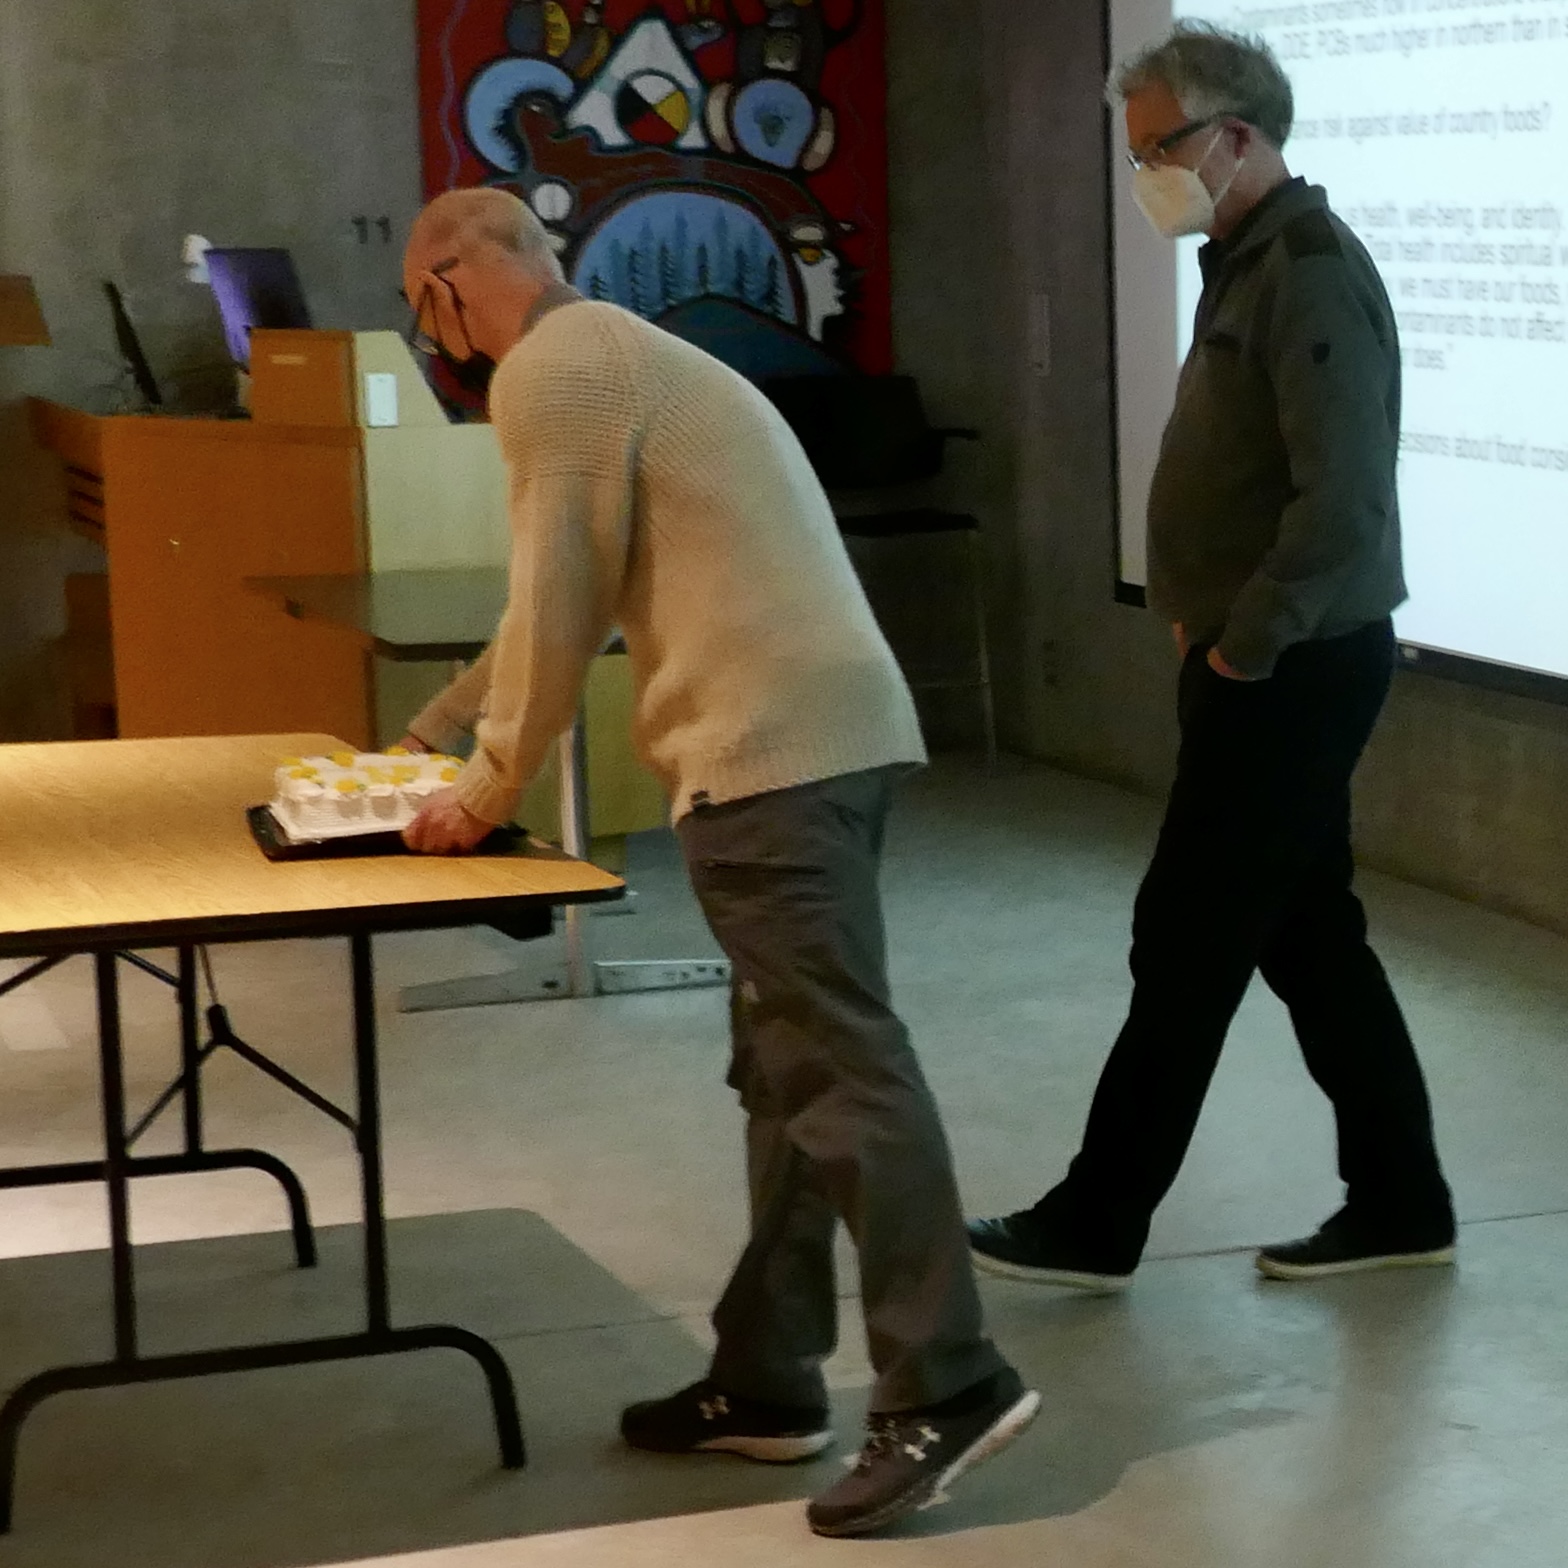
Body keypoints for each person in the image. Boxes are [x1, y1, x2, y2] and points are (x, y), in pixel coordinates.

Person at [395, 188, 1038, 1538]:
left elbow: (562, 586)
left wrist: (486, 789)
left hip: (770, 756)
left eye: (419, 305)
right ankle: (768, 1382)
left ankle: (951, 1379)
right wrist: (443, 729)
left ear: (450, 282)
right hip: (821, 738)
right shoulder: (612, 352)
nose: (429, 334)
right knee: (790, 1074)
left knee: (842, 1071)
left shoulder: (553, 368)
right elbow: (546, 598)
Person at [970, 23, 1455, 1291]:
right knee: (1307, 936)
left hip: (1289, 666)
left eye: (1159, 148)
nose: (1145, 176)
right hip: (1264, 659)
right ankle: (1401, 1197)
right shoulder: (1240, 260)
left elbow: (1340, 494)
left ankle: (1096, 1218)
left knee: (1184, 935)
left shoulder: (1303, 266)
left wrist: (1246, 640)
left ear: (1236, 136)